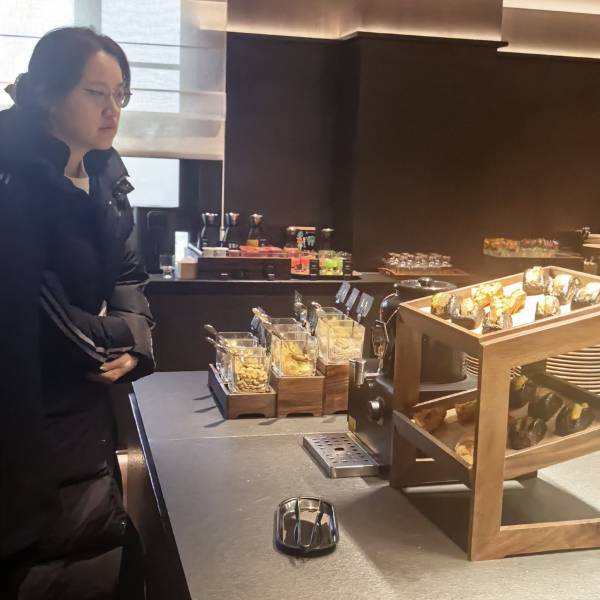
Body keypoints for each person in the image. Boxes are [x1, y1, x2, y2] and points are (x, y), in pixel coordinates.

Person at [0, 27, 155, 598]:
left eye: (121, 94)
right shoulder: (12, 171)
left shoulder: (105, 171)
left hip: (85, 406)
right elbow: (29, 304)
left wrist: (137, 339)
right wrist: (119, 340)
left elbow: (128, 273)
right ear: (47, 92)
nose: (113, 109)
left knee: (98, 552)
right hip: (27, 400)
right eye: (96, 93)